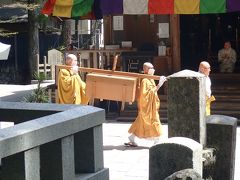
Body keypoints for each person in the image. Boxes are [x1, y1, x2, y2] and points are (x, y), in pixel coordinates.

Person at [125, 62, 167, 147]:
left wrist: (158, 85)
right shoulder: (144, 80)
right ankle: (157, 140)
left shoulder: (150, 78)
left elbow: (152, 92)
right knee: (154, 122)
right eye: (150, 68)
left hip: (151, 105)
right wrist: (159, 85)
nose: (153, 69)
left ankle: (132, 137)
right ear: (145, 70)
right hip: (147, 106)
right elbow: (145, 95)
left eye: (153, 67)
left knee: (140, 123)